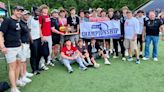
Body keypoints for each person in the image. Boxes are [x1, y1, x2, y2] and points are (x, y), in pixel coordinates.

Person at [0, 6, 24, 92]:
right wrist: (2, 46)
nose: (20, 13)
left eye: (21, 11)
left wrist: (20, 42)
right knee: (12, 67)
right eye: (18, 11)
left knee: (18, 65)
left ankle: (16, 81)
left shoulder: (17, 21)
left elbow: (16, 34)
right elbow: (1, 34)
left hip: (18, 46)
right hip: (10, 48)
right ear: (13, 11)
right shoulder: (7, 20)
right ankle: (13, 88)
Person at [19, 10, 33, 85]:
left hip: (27, 44)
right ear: (21, 15)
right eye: (25, 15)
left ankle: (25, 72)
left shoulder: (25, 23)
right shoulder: (20, 24)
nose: (27, 16)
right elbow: (18, 35)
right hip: (22, 44)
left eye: (28, 15)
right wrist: (20, 43)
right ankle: (22, 76)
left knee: (25, 60)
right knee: (22, 61)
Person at [27, 7, 43, 73]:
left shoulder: (38, 18)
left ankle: (37, 67)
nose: (38, 12)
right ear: (33, 11)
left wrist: (41, 37)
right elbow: (29, 30)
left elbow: (39, 28)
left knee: (39, 54)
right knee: (34, 54)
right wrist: (31, 40)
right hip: (33, 39)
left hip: (38, 38)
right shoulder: (30, 19)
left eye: (39, 11)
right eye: (37, 11)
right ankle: (34, 69)